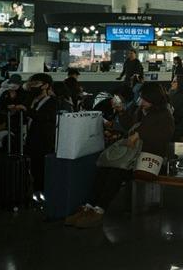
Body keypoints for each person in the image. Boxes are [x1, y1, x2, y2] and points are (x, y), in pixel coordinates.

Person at [68, 82, 175, 228]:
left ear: (154, 99)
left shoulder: (164, 115)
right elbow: (129, 126)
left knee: (115, 172)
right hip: (132, 156)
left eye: (145, 99)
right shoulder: (141, 110)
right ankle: (89, 206)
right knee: (104, 168)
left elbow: (164, 137)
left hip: (148, 159)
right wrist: (121, 111)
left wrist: (139, 134)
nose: (141, 101)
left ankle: (99, 209)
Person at [22, 73, 59, 196]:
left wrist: (27, 109)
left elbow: (44, 118)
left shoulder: (52, 102)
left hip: (44, 142)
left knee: (41, 171)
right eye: (31, 84)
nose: (32, 86)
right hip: (31, 140)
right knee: (34, 169)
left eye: (36, 84)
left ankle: (42, 195)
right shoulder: (32, 100)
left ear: (45, 86)